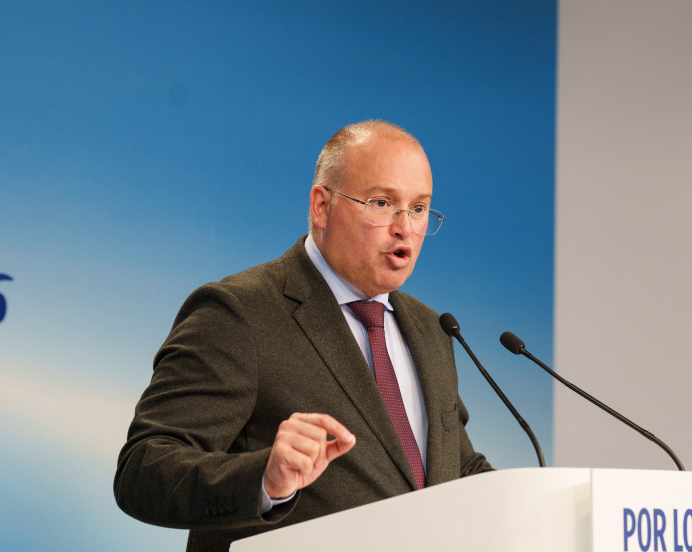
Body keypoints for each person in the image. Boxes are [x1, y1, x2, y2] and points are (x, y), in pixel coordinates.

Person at [114, 120, 493, 551]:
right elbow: (143, 470)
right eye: (382, 202)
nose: (405, 227)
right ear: (321, 206)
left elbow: (454, 469)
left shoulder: (430, 329)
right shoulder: (240, 312)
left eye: (419, 208)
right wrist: (264, 480)